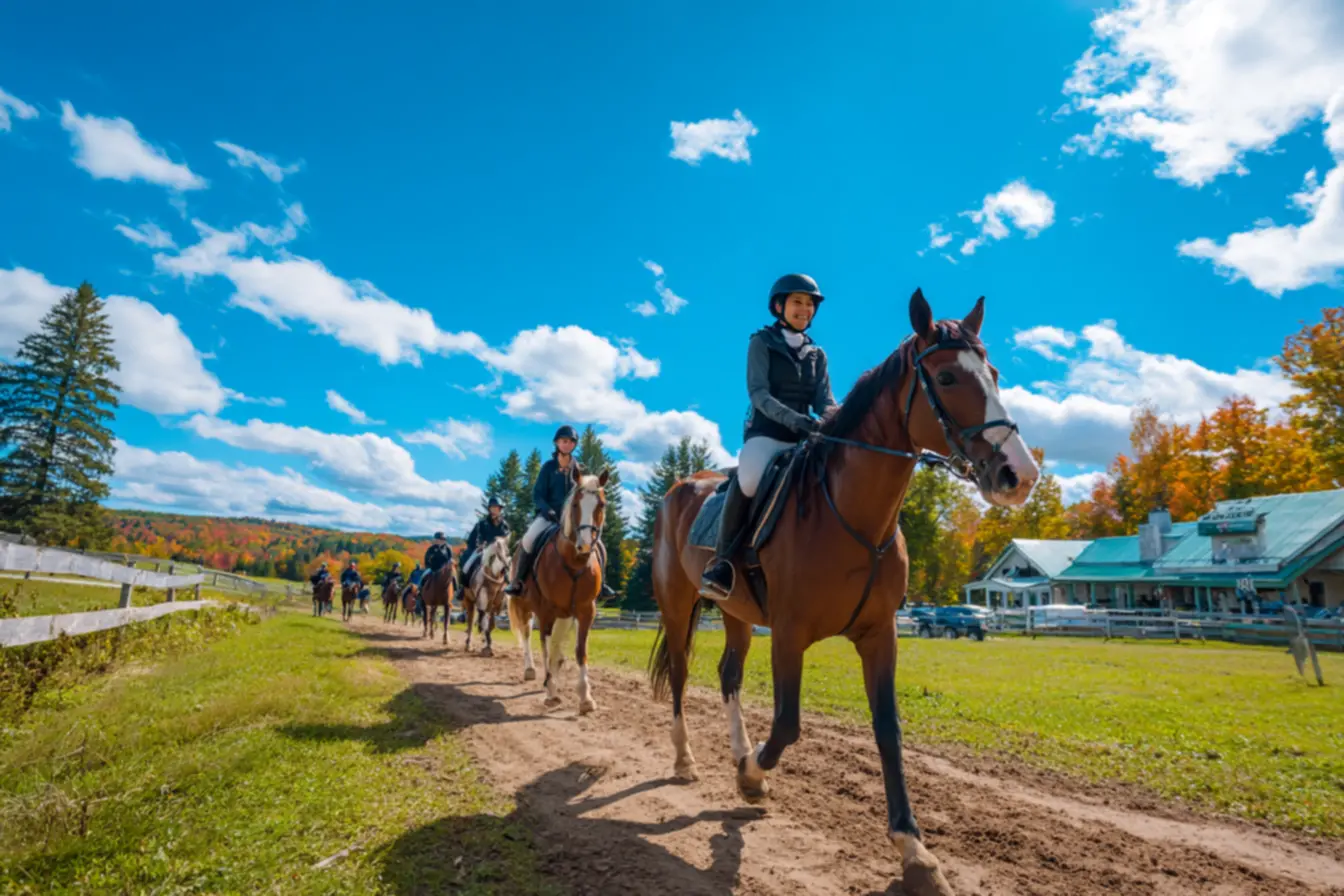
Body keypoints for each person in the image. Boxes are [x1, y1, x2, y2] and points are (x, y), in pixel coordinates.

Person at [701, 273, 837, 599]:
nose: (804, 309)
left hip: (805, 440)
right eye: (797, 302)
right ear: (779, 306)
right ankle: (723, 562)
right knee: (749, 481)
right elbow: (759, 394)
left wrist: (836, 418)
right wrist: (795, 420)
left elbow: (825, 401)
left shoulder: (817, 354)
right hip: (767, 435)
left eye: (809, 304)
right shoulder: (761, 342)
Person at [504, 425, 618, 599]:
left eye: (570, 442)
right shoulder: (548, 467)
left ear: (574, 445)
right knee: (528, 539)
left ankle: (601, 584)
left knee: (599, 544)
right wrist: (547, 510)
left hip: (572, 519)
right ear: (557, 443)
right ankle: (517, 581)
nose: (567, 444)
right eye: (564, 441)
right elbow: (537, 494)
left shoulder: (579, 469)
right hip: (548, 517)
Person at [460, 496, 511, 592]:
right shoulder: (481, 524)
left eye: (496, 508)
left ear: (500, 509)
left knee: (510, 566)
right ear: (489, 509)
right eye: (492, 508)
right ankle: (463, 588)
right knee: (466, 566)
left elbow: (506, 539)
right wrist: (479, 545)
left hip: (499, 551)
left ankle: (511, 586)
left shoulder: (504, 525)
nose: (494, 510)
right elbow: (475, 538)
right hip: (483, 550)